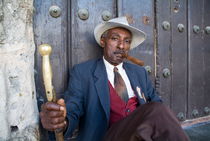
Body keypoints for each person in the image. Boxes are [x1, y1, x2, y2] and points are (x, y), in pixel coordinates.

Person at [40, 17, 189, 141]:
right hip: (107, 137)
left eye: (127, 41)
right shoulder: (82, 72)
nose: (121, 46)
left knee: (157, 111)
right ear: (103, 41)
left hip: (141, 136)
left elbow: (157, 105)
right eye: (115, 38)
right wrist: (61, 122)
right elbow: (72, 109)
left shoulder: (139, 72)